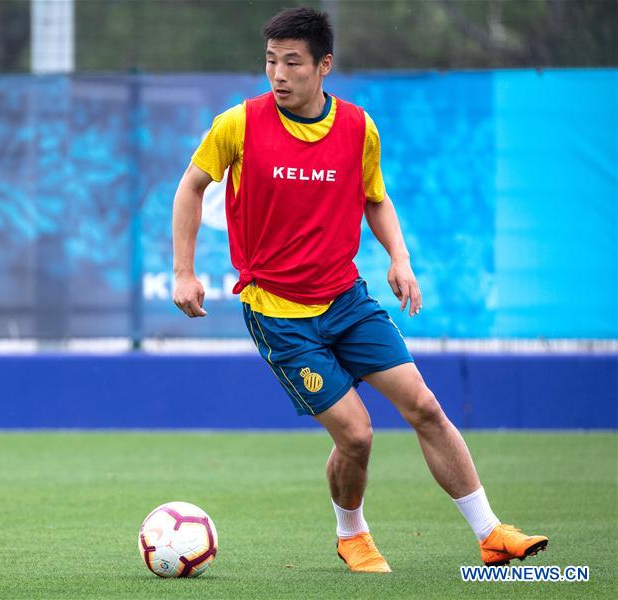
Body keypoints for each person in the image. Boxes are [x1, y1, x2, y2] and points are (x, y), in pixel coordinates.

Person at [171, 6, 547, 573]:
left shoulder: (357, 128)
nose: (278, 74)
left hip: (347, 300)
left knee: (424, 405)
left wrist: (400, 258)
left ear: (324, 66)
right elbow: (191, 188)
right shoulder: (238, 124)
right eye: (271, 61)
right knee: (357, 434)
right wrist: (183, 271)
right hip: (279, 314)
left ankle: (491, 533)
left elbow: (374, 197)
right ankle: (353, 534)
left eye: (292, 63)